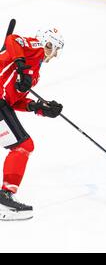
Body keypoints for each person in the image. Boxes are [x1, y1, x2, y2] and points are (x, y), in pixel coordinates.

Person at [0, 28, 64, 221]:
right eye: (53, 49)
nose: (52, 55)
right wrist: (20, 65)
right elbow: (13, 39)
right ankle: (3, 197)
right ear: (47, 43)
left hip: (3, 103)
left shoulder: (35, 72)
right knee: (22, 146)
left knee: (23, 146)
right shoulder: (34, 48)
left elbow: (16, 101)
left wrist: (40, 107)